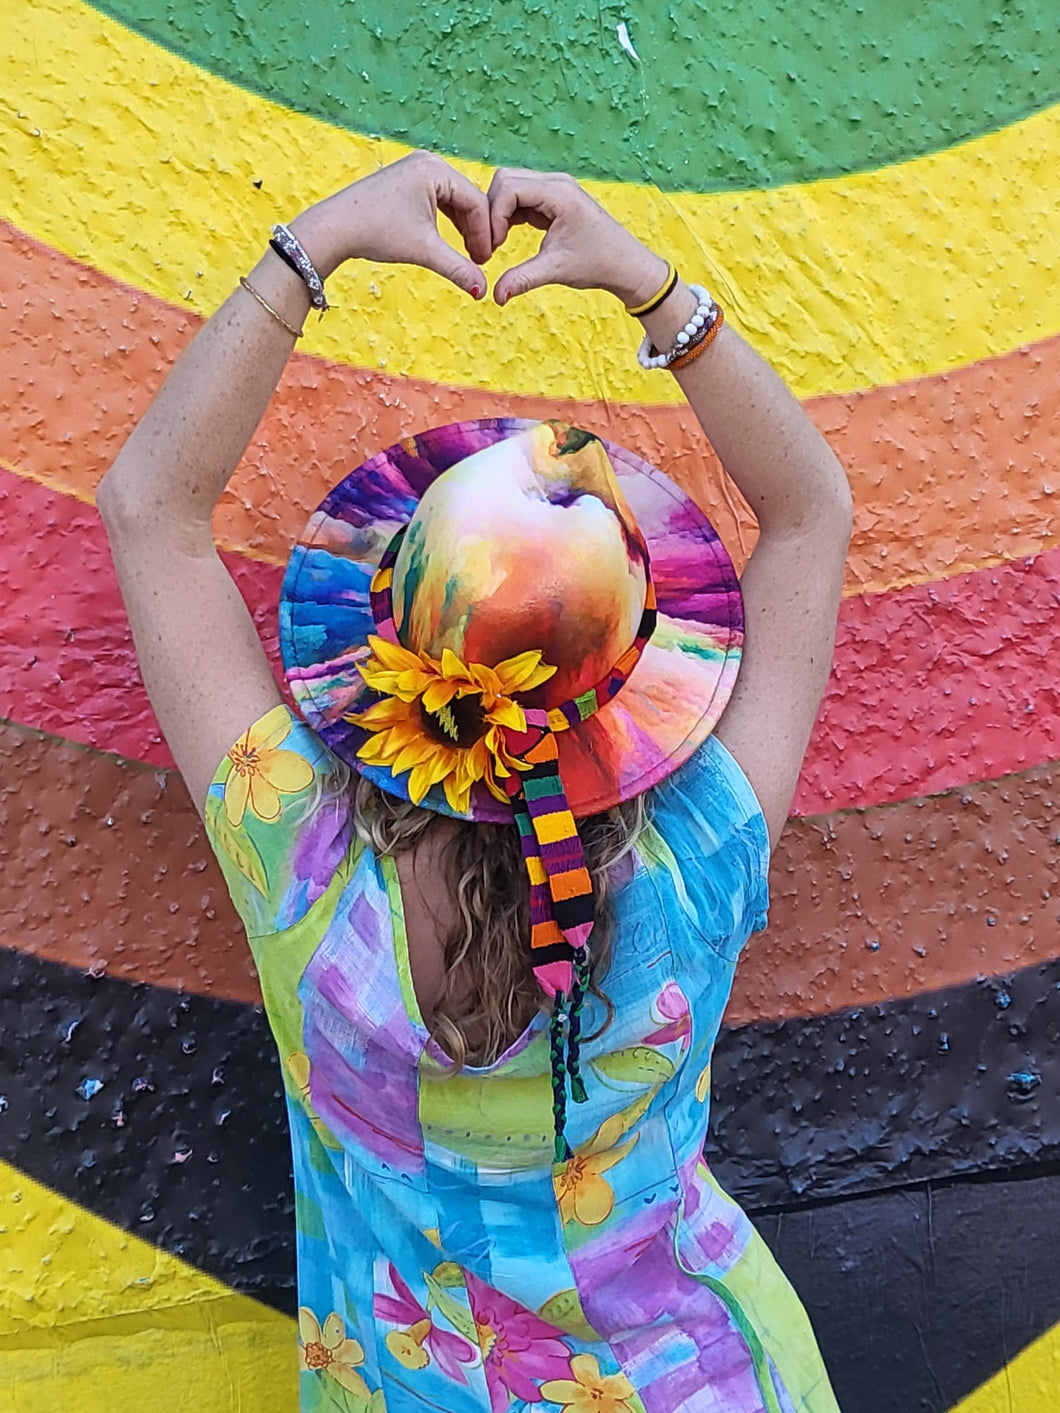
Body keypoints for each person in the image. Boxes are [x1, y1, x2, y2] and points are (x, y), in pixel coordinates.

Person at [98, 151, 852, 1413]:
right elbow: (812, 513)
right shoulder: (701, 853)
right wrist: (649, 285)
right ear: (632, 690)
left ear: (387, 658)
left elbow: (149, 509)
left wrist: (318, 243)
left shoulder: (302, 863)